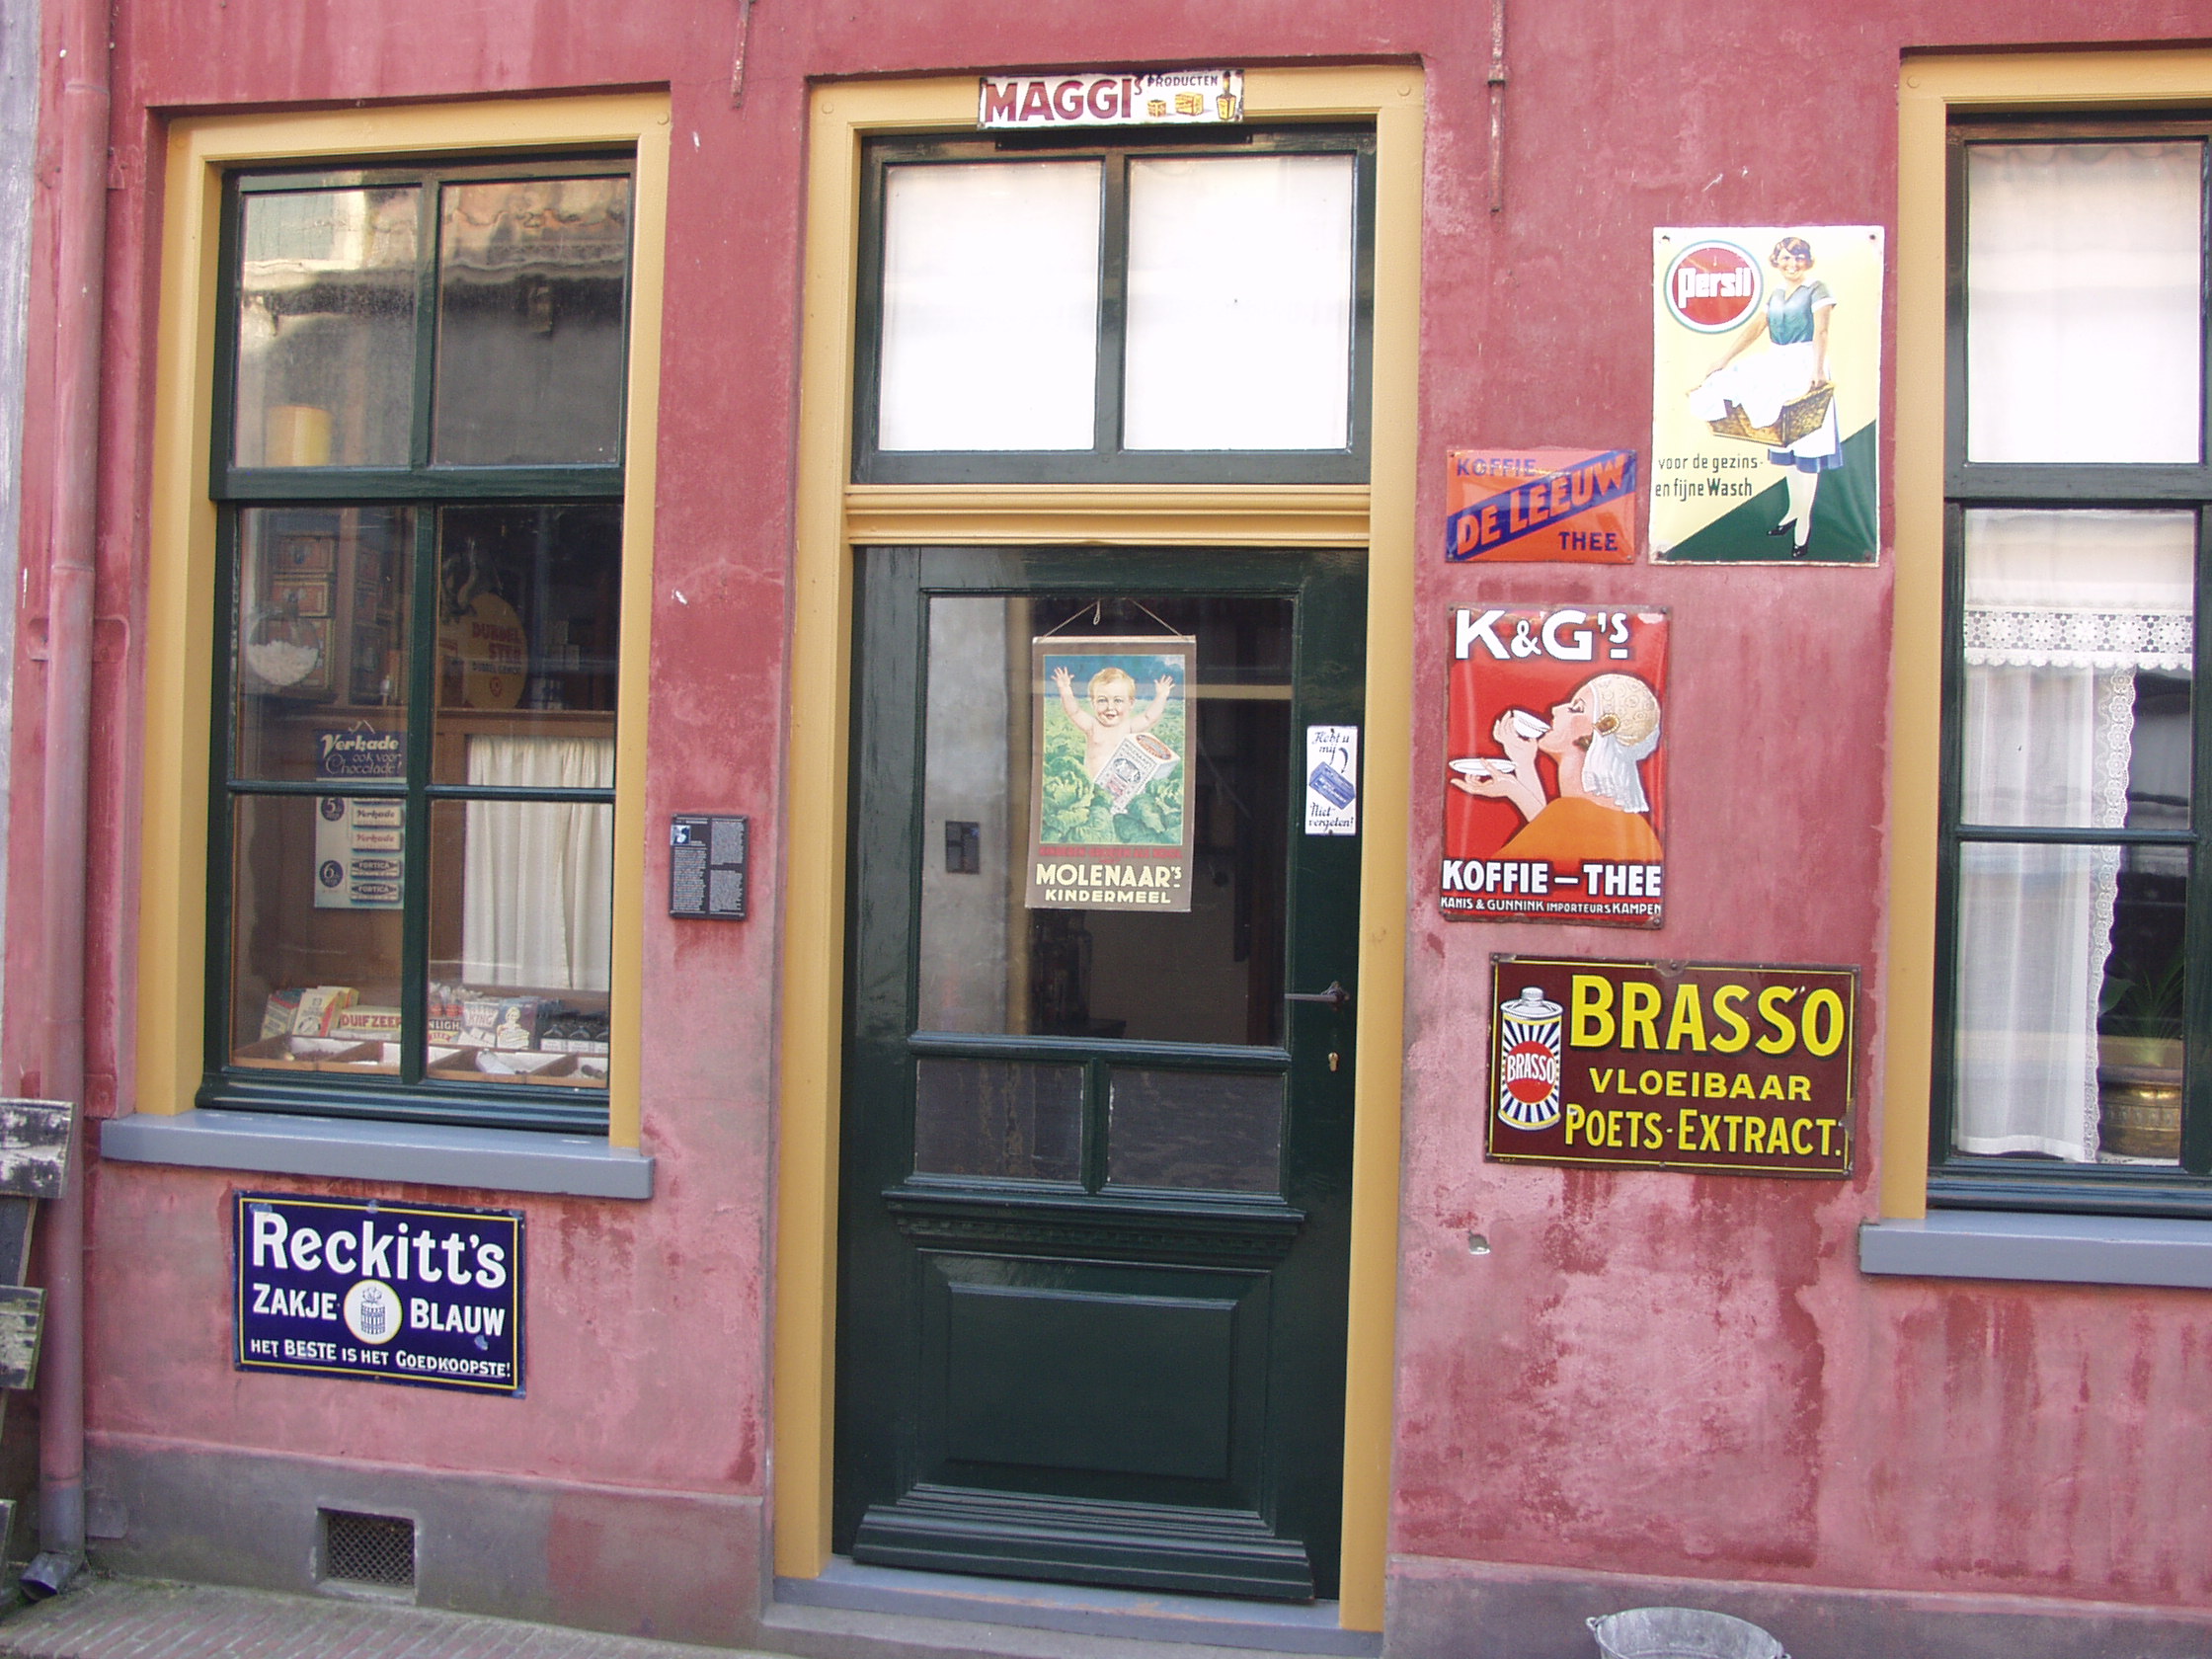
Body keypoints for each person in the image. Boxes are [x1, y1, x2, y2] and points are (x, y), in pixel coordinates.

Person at [1690, 235, 1841, 556]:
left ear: (1807, 260)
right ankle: (1792, 511)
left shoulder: (1817, 289)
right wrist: (1724, 359)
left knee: (1806, 444)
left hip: (1805, 362)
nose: (1792, 264)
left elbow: (1821, 331)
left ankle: (1804, 525)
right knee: (1783, 436)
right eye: (1785, 258)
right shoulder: (1776, 294)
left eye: (1798, 257)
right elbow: (1756, 328)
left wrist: (1817, 370)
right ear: (1776, 261)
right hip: (1778, 363)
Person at [1451, 673, 1662, 867]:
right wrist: (1523, 766)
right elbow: (1554, 836)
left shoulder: (1584, 815)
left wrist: (1515, 787)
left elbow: (1542, 855)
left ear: (1599, 732)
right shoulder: (1610, 820)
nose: (1555, 709)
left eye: (1576, 709)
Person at [1053, 664, 1174, 782]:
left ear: (1130, 703)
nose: (1110, 707)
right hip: (1094, 786)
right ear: (1093, 703)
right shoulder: (1092, 726)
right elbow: (1074, 712)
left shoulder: (1129, 727)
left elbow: (1149, 717)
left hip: (1121, 787)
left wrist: (1162, 696)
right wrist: (1065, 689)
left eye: (1118, 700)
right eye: (1102, 700)